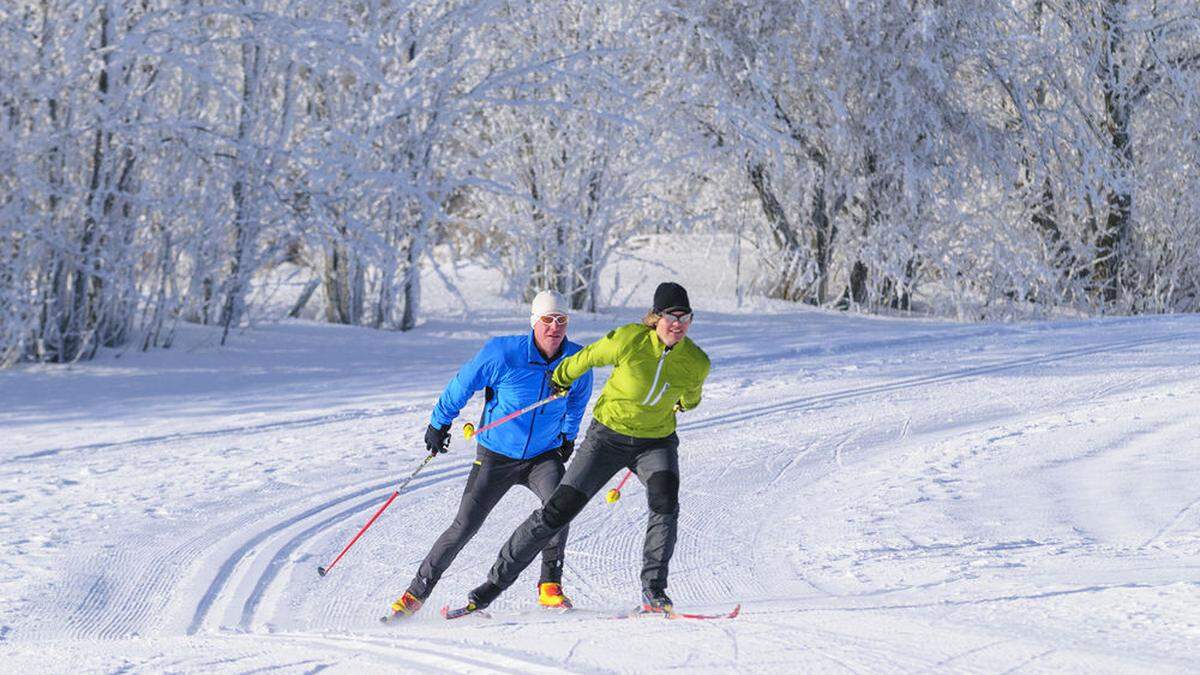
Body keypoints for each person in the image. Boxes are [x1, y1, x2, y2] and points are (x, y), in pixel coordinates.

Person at [456, 281, 710, 615]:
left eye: (684, 317)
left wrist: (682, 404)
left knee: (665, 504)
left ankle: (654, 591)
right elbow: (587, 357)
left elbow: (691, 396)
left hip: (656, 441)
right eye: (670, 316)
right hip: (607, 438)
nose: (677, 324)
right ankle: (491, 587)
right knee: (557, 511)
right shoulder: (629, 340)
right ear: (655, 318)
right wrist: (561, 376)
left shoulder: (696, 361)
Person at [385, 291, 594, 619]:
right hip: (497, 454)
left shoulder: (577, 361)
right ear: (534, 323)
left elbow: (578, 402)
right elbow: (462, 383)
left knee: (559, 507)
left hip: (542, 455)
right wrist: (439, 423)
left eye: (562, 320)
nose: (555, 327)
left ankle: (550, 587)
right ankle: (414, 594)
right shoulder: (503, 353)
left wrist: (568, 436)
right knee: (465, 524)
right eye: (547, 320)